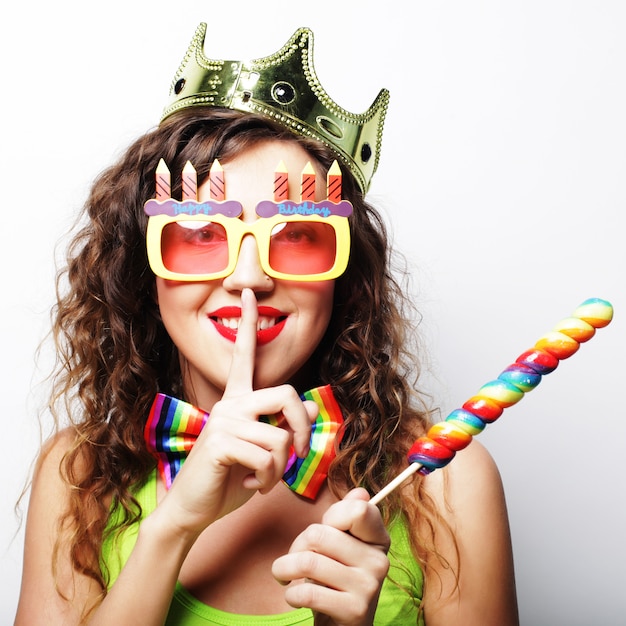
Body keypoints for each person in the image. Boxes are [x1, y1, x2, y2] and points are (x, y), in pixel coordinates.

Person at [15, 24, 518, 626]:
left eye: (299, 237)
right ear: (142, 267)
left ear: (346, 274)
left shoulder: (445, 481)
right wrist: (172, 528)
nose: (249, 277)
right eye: (202, 235)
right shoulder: (80, 474)